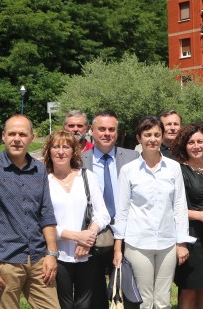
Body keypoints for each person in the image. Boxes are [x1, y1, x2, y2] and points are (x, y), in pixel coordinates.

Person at [0, 114, 60, 309]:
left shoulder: (39, 169)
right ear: (3, 136)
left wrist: (52, 254)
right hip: (6, 261)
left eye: (22, 134)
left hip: (39, 259)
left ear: (31, 137)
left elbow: (46, 213)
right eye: (12, 133)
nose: (17, 138)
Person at [113, 117, 193, 309]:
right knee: (145, 300)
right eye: (147, 135)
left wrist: (181, 242)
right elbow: (122, 210)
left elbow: (179, 207)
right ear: (139, 138)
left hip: (167, 242)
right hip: (138, 243)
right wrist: (118, 247)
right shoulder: (128, 170)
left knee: (163, 300)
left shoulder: (173, 168)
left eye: (157, 134)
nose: (153, 139)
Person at [43, 131, 110, 309]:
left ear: (74, 151)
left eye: (66, 147)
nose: (60, 151)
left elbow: (103, 213)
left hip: (87, 254)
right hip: (58, 255)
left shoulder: (87, 177)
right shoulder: (44, 181)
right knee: (62, 304)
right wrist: (75, 236)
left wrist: (89, 235)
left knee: (85, 304)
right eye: (56, 147)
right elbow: (40, 222)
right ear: (49, 151)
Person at [80, 110, 137, 309]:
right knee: (94, 291)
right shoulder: (79, 159)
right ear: (91, 131)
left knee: (125, 288)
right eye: (101, 129)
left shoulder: (133, 157)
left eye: (111, 129)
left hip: (127, 232)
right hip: (93, 233)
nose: (107, 133)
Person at [172, 124, 203, 309]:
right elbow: (171, 209)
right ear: (184, 146)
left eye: (200, 141)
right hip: (189, 236)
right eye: (191, 142)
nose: (196, 146)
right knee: (189, 288)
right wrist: (198, 215)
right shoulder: (178, 170)